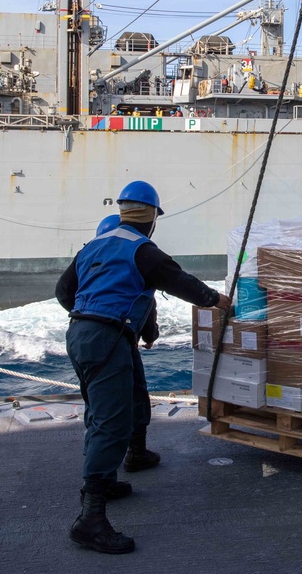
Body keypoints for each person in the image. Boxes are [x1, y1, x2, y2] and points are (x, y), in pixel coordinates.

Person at [57, 181, 231, 554]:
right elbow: (179, 282)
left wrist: (98, 316)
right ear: (151, 217)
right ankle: (91, 518)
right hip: (105, 337)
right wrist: (218, 300)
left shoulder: (92, 248)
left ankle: (135, 455)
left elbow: (64, 292)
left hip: (85, 333)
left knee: (130, 395)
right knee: (109, 421)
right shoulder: (143, 250)